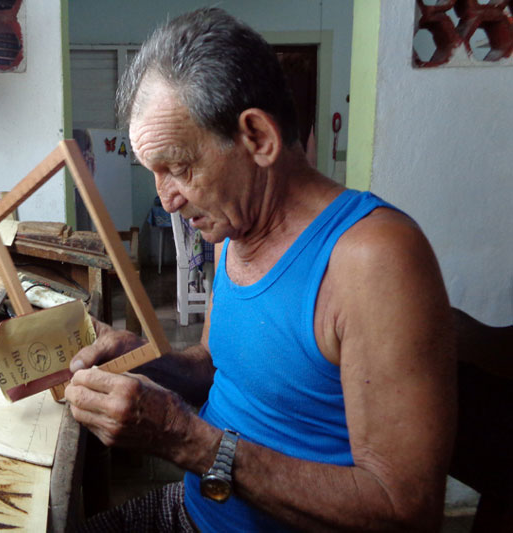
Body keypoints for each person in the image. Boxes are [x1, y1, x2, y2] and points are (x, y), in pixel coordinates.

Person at [64, 8, 456, 532]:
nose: (169, 199)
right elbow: (215, 366)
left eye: (179, 167)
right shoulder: (234, 231)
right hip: (194, 511)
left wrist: (183, 438)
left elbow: (404, 511)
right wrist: (144, 362)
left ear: (258, 138)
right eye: (154, 172)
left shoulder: (374, 260)